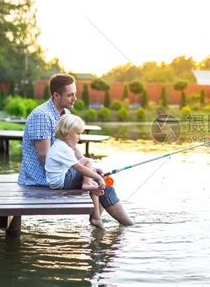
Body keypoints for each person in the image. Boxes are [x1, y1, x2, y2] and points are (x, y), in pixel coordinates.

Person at [18, 73, 133, 226]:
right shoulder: (42, 115)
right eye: (70, 95)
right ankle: (126, 225)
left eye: (75, 94)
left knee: (97, 177)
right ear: (56, 95)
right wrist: (82, 169)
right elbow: (44, 156)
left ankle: (97, 219)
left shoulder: (66, 113)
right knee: (100, 183)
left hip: (61, 171)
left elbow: (72, 148)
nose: (75, 98)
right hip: (42, 177)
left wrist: (88, 167)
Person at [46, 114, 106, 229]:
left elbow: (79, 165)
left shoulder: (59, 145)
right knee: (89, 163)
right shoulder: (63, 149)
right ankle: (87, 185)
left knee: (94, 184)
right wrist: (98, 177)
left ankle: (96, 217)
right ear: (67, 133)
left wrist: (93, 171)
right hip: (62, 182)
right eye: (78, 133)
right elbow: (80, 167)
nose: (80, 137)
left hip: (57, 181)